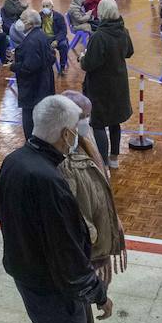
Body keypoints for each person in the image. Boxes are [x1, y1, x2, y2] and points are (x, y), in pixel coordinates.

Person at [0, 95, 112, 323]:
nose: (80, 134)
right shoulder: (50, 179)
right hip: (54, 285)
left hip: (26, 272)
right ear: (65, 133)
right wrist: (98, 293)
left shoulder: (15, 160)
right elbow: (67, 257)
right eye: (78, 128)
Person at [59, 91, 126, 284]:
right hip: (83, 246)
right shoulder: (62, 162)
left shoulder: (85, 139)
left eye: (88, 116)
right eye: (82, 117)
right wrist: (92, 234)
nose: (86, 121)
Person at [79, 0, 132, 169]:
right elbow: (129, 52)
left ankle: (102, 162)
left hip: (100, 86)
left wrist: (82, 58)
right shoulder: (123, 31)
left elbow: (89, 64)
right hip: (119, 83)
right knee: (115, 121)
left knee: (99, 123)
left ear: (101, 13)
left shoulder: (99, 36)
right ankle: (114, 159)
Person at [11, 8, 56, 139]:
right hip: (43, 85)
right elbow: (50, 57)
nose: (19, 22)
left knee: (30, 122)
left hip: (33, 89)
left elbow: (29, 67)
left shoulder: (31, 41)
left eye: (22, 19)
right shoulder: (41, 35)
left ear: (30, 23)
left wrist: (14, 66)